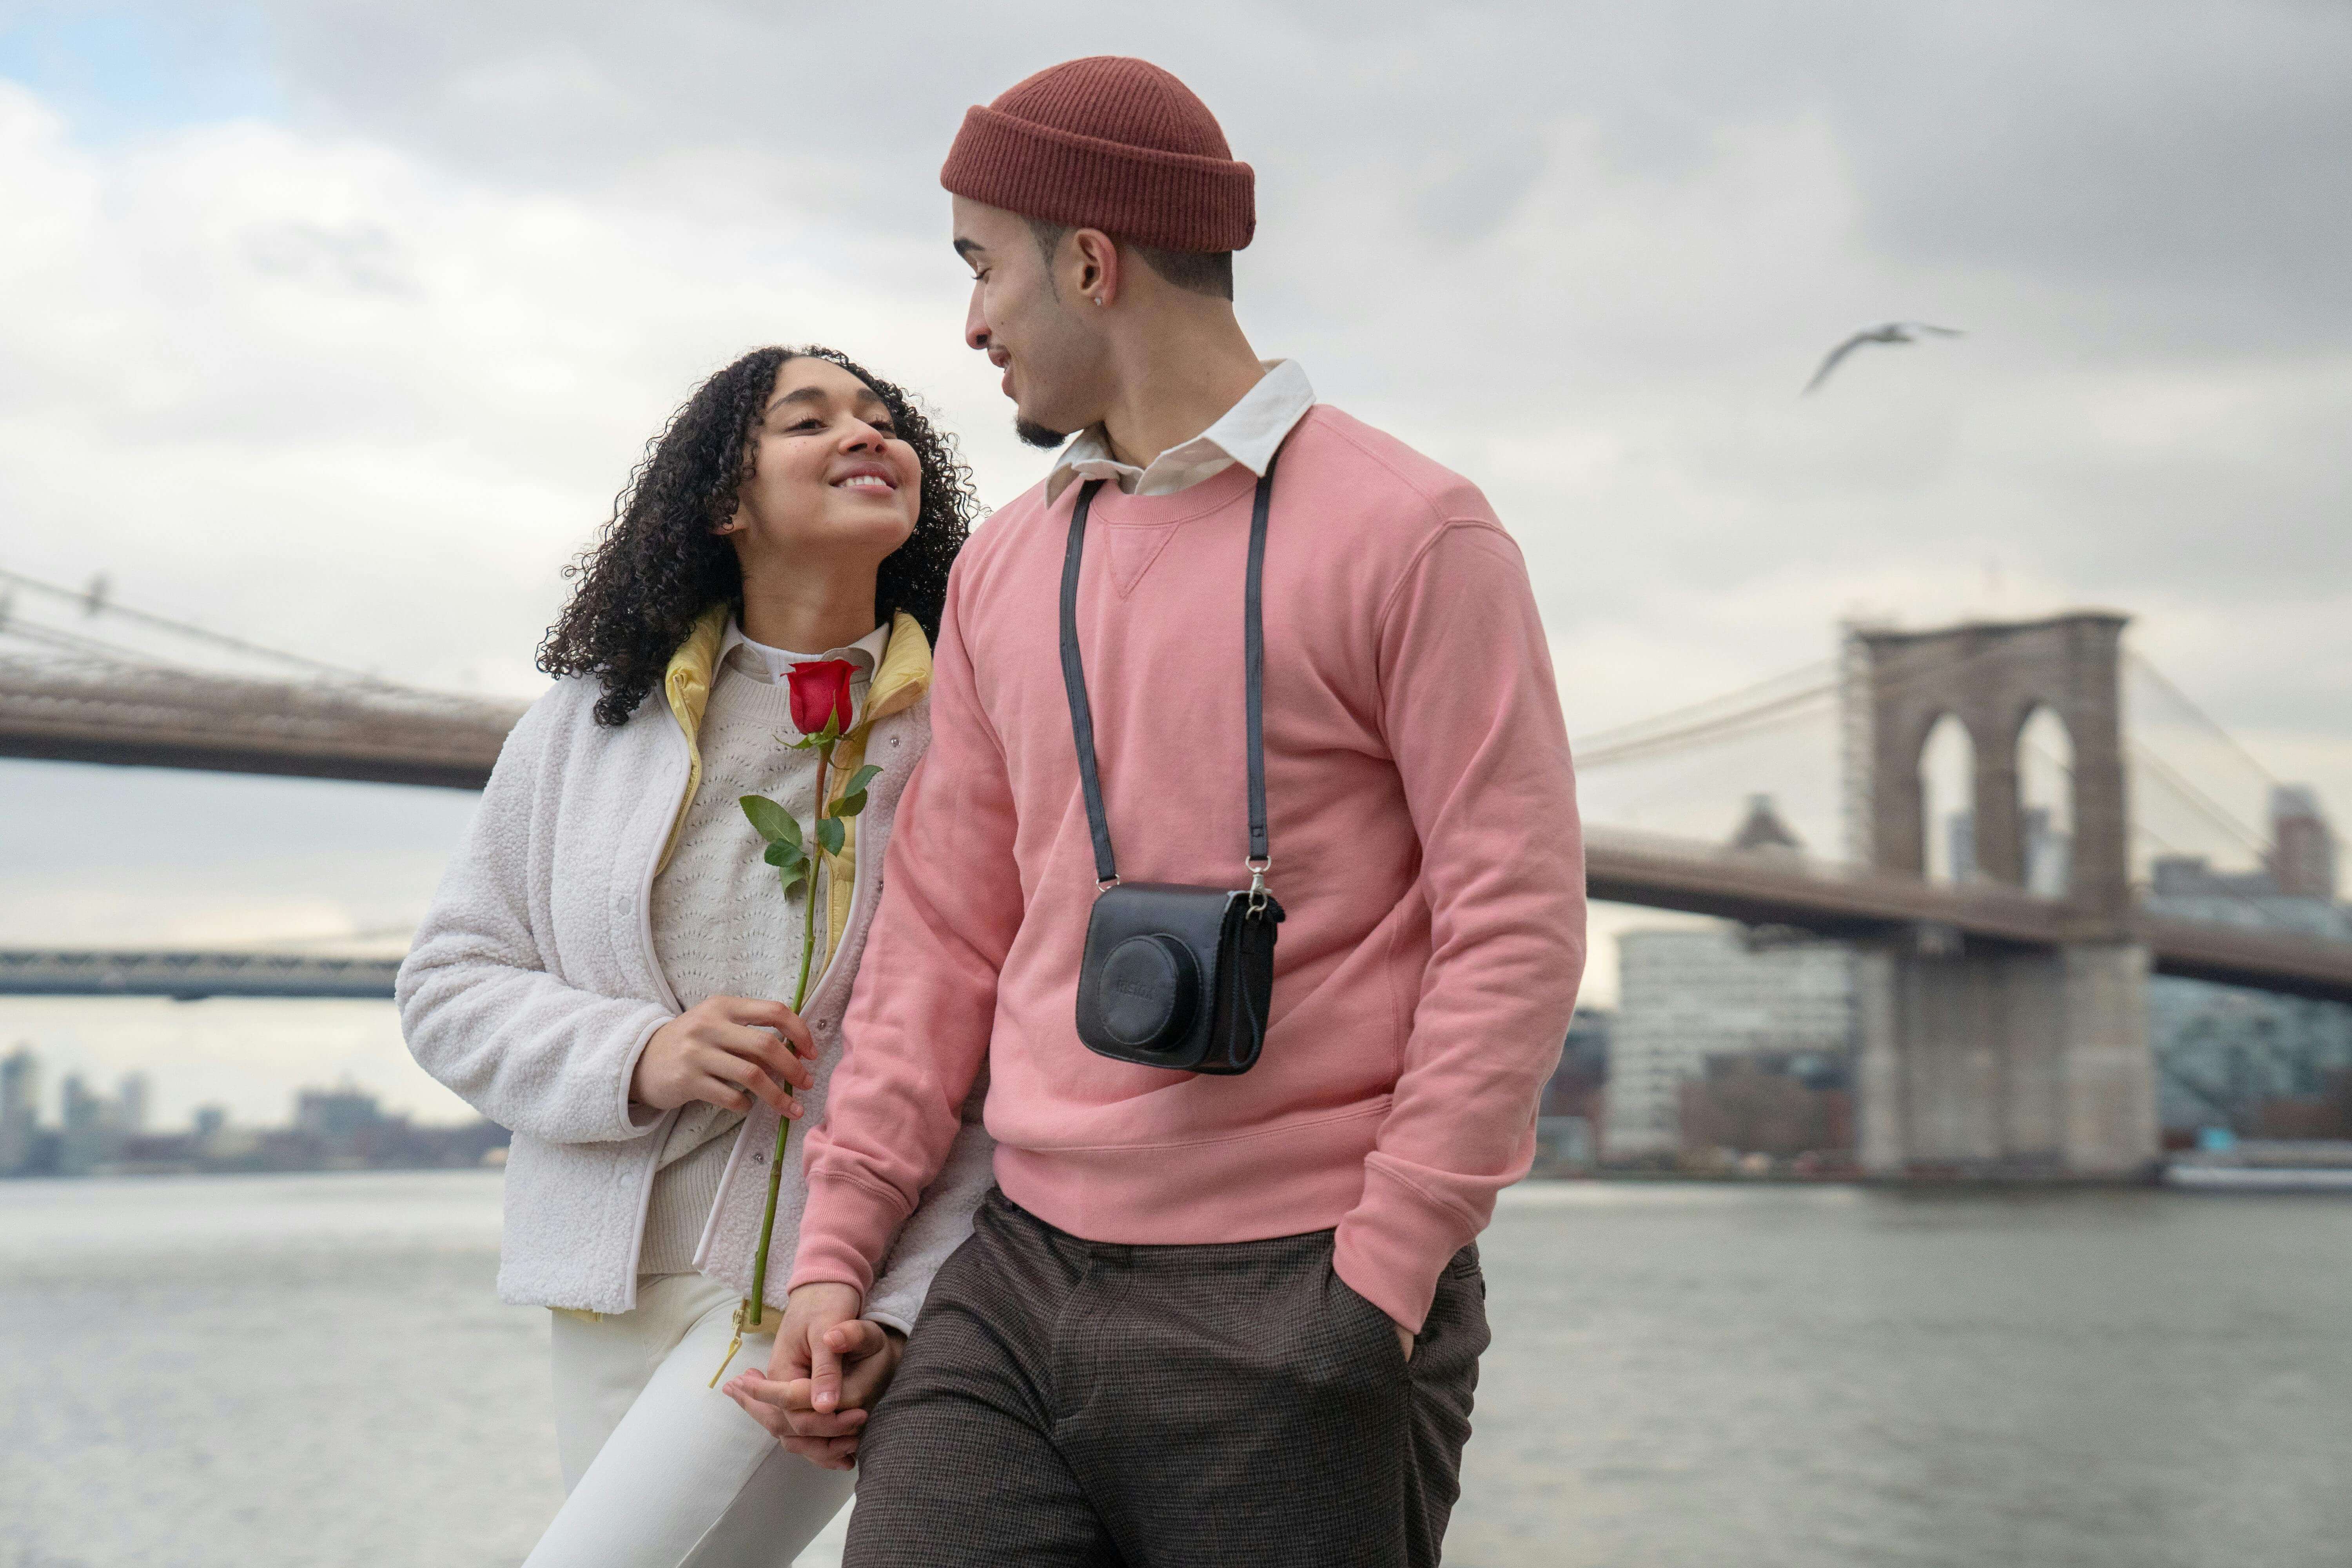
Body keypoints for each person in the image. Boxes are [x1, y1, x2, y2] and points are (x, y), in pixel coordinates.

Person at [735, 57, 1587, 1568]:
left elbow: (1515, 923)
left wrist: (1380, 1278)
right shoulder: (1004, 567)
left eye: (983, 266)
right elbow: (944, 934)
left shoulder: (1417, 535)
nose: (974, 322)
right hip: (1016, 1279)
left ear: (1089, 260)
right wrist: (836, 1261)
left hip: (1306, 1290)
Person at [396, 345, 995, 1565]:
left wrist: (897, 1309)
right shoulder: (590, 722)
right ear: (725, 500)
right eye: (811, 419)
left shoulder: (972, 733)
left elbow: (994, 1057)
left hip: (802, 1294)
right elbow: (447, 986)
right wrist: (644, 1053)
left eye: (885, 421)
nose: (867, 435)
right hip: (602, 1290)